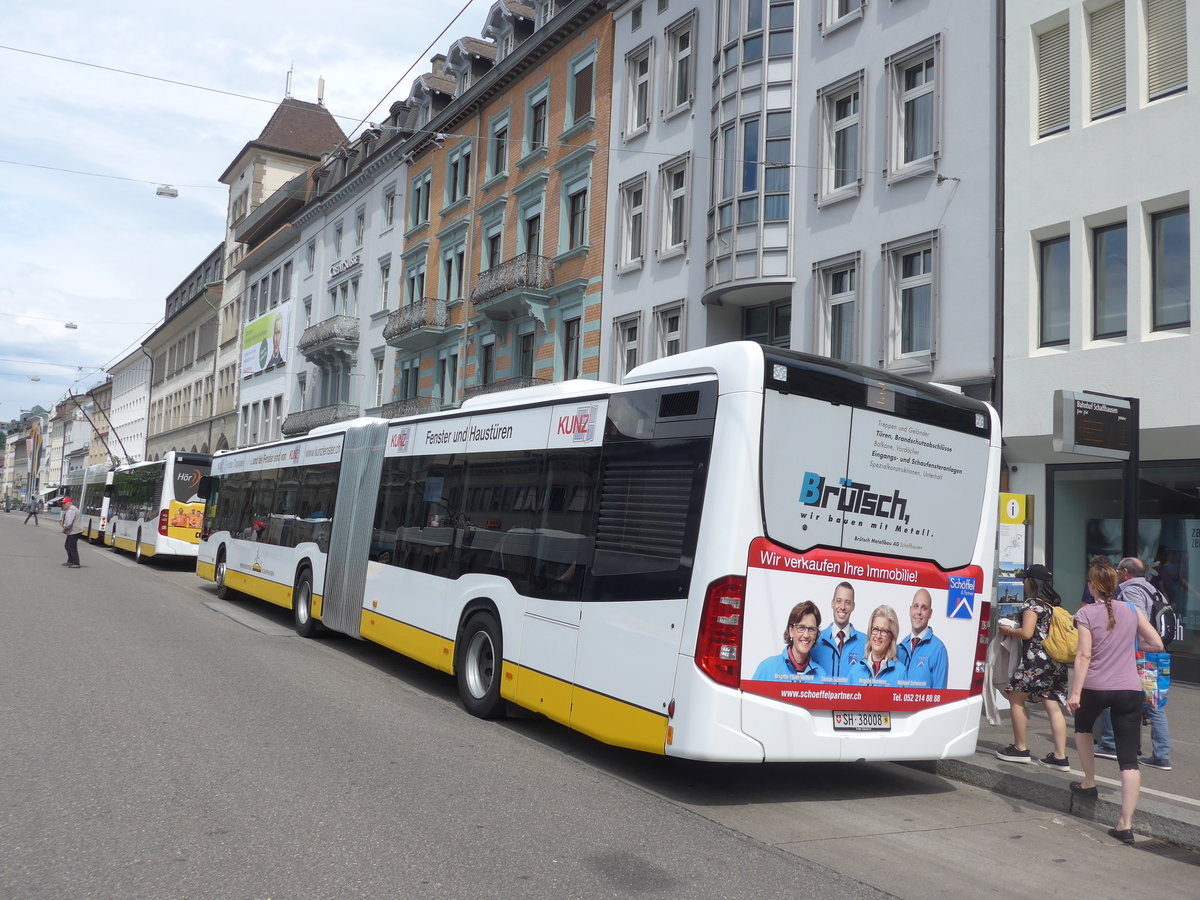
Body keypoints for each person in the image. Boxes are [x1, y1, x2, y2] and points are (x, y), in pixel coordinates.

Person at [1068, 560, 1165, 844]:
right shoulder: (1131, 610)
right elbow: (1157, 644)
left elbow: (1084, 656)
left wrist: (1075, 692)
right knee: (1128, 759)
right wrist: (1131, 647)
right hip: (1128, 689)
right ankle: (1125, 824)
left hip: (1096, 687)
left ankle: (1089, 782)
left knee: (1083, 728)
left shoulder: (1085, 613)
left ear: (1093, 586)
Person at [1094, 557, 1172, 770]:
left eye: (1118, 569)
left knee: (1117, 693)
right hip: (1158, 654)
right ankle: (1161, 754)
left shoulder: (1131, 591)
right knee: (1155, 704)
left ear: (1126, 572)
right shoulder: (1153, 590)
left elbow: (1136, 620)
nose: (1116, 573)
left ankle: (1110, 744)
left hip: (1142, 654)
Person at [995, 563, 1070, 770]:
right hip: (1056, 662)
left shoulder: (1032, 605)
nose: (1023, 583)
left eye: (1025, 579)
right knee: (1052, 705)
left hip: (1036, 662)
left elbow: (1027, 633)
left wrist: (1008, 630)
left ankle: (1020, 748)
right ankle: (1060, 757)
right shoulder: (1054, 605)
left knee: (1016, 698)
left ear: (1031, 582)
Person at [752, 601, 827, 682]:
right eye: (801, 628)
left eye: (812, 629)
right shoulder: (767, 668)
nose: (806, 635)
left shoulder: (821, 675)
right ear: (791, 631)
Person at [810, 582, 865, 681]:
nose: (842, 607)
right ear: (832, 603)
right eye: (839, 601)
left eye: (847, 602)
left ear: (853, 606)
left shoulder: (865, 642)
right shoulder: (816, 639)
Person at [897, 588, 949, 689]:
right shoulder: (900, 647)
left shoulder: (938, 649)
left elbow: (940, 696)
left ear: (930, 613)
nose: (919, 612)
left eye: (924, 608)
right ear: (910, 610)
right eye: (916, 606)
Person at [847, 605, 907, 686]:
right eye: (875, 629)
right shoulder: (855, 671)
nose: (878, 636)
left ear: (891, 637)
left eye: (884, 631)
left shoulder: (900, 673)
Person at [60, 496, 84, 568]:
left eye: (64, 504)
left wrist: (64, 527)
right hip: (74, 531)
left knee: (71, 546)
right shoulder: (72, 509)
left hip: (75, 531)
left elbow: (69, 523)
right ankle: (70, 561)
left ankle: (76, 563)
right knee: (67, 545)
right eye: (63, 504)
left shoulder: (71, 510)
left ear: (69, 503)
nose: (63, 505)